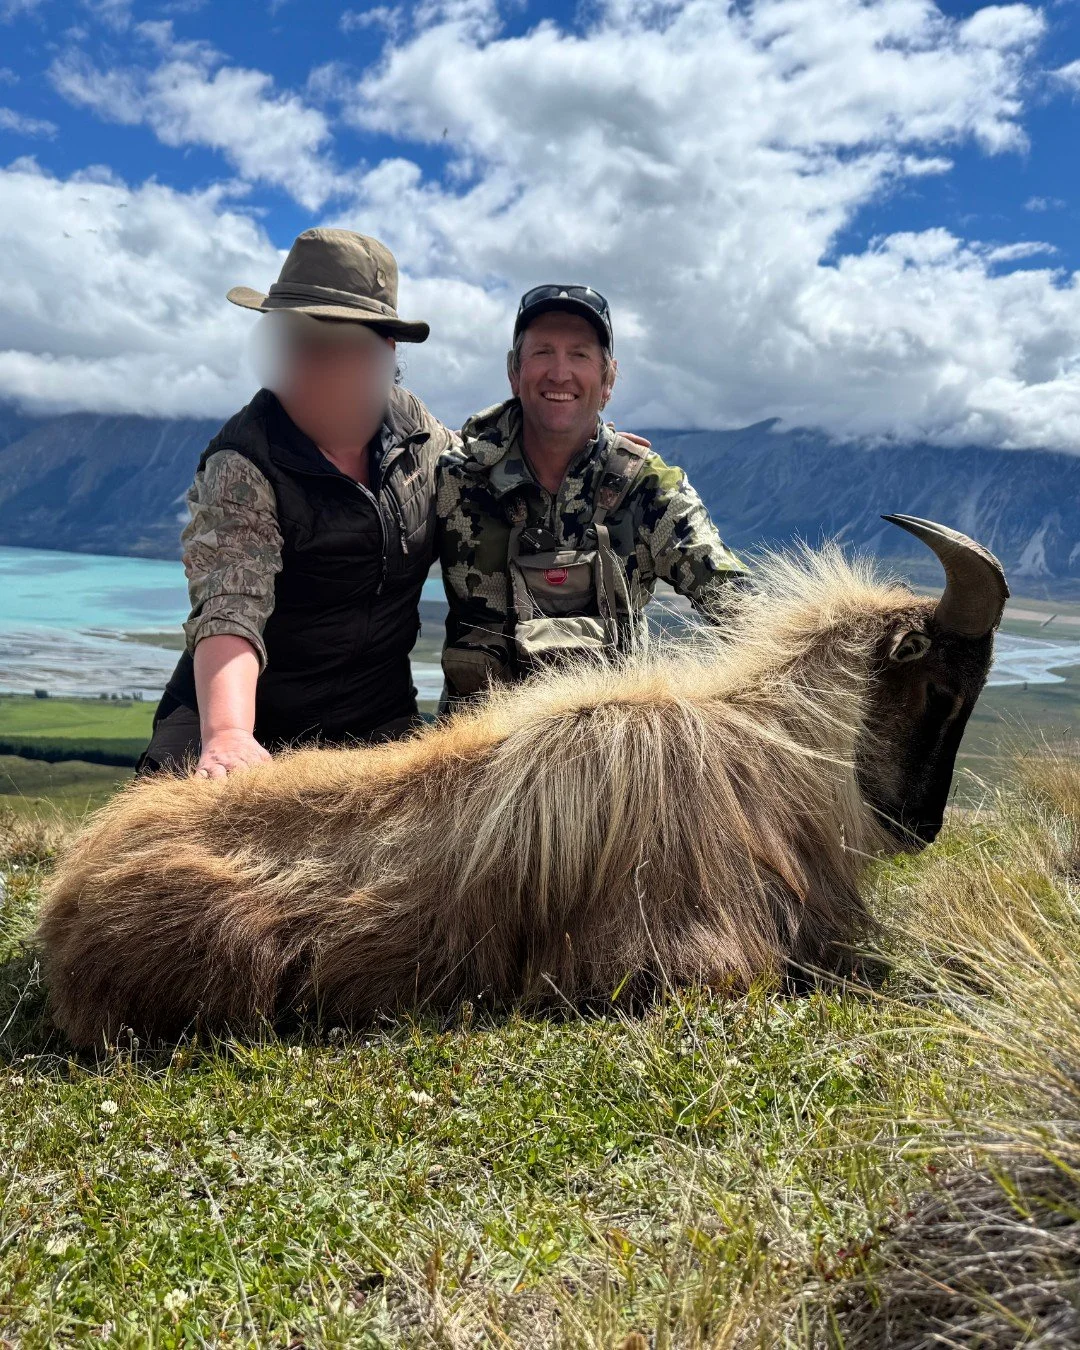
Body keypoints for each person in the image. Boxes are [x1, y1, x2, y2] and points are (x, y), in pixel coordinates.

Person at [137, 228, 457, 779]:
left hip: (375, 713)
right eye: (290, 341)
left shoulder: (421, 436)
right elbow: (230, 605)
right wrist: (229, 735)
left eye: (326, 346)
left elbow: (490, 472)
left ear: (381, 353)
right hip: (243, 710)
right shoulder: (244, 460)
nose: (301, 366)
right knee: (166, 824)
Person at [436, 284, 748, 705]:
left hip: (610, 745)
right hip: (478, 745)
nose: (559, 373)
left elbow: (741, 609)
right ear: (514, 372)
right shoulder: (458, 477)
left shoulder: (647, 487)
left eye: (579, 355)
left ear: (608, 380)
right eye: (543, 352)